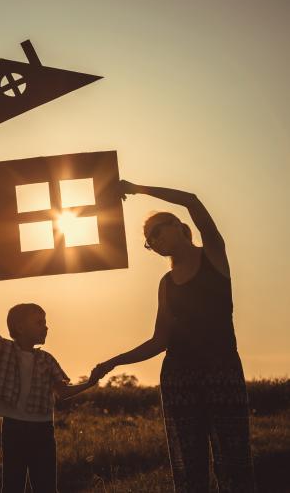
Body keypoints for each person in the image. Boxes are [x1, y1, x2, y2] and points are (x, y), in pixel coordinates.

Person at [95, 180, 255, 492]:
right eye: (148, 239)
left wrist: (137, 189)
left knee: (234, 462)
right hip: (179, 379)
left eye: (157, 230)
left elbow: (192, 199)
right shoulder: (166, 284)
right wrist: (112, 362)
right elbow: (159, 341)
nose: (153, 239)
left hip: (221, 372)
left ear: (180, 226)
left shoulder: (213, 256)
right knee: (189, 469)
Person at [0, 291, 99, 493]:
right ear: (20, 328)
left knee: (46, 486)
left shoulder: (48, 360)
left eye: (45, 322)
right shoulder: (5, 350)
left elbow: (62, 392)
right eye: (39, 322)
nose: (46, 327)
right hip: (14, 428)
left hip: (43, 430)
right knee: (13, 485)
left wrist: (91, 382)